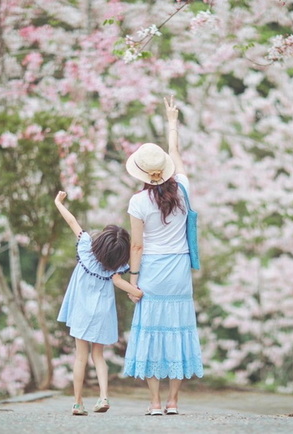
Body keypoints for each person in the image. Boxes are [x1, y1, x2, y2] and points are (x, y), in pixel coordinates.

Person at [122, 96, 204, 416]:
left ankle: (154, 403)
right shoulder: (182, 189)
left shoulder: (138, 202)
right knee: (179, 327)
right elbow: (177, 155)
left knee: (152, 331)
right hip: (179, 268)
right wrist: (172, 123)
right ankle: (173, 402)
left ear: (142, 173)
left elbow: (137, 246)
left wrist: (133, 279)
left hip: (153, 270)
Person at [54, 191, 143, 416]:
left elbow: (72, 220)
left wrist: (58, 202)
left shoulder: (85, 248)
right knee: (98, 356)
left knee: (80, 357)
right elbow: (120, 282)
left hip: (81, 312)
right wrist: (137, 292)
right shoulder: (115, 268)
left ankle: (77, 402)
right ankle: (103, 396)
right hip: (102, 313)